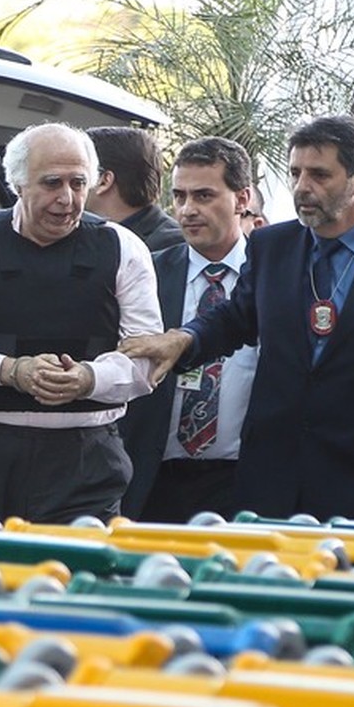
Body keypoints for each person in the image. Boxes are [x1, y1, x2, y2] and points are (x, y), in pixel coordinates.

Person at [121, 115, 354, 523]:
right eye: (296, 172)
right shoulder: (271, 247)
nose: (302, 187)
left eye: (319, 175)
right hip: (270, 491)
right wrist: (185, 340)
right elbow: (236, 317)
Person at [0, 122, 162, 525]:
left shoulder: (122, 248)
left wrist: (88, 378)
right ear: (17, 183)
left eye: (78, 183)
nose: (67, 199)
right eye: (52, 183)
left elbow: (147, 359)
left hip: (86, 459)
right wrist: (10, 371)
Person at [120, 136, 258, 522]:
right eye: (179, 196)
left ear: (242, 199)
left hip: (244, 483)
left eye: (203, 196)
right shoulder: (144, 271)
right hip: (152, 481)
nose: (187, 210)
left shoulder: (275, 275)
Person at [85, 126, 183, 250]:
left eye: (78, 175)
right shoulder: (83, 235)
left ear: (103, 181)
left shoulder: (172, 248)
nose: (68, 187)